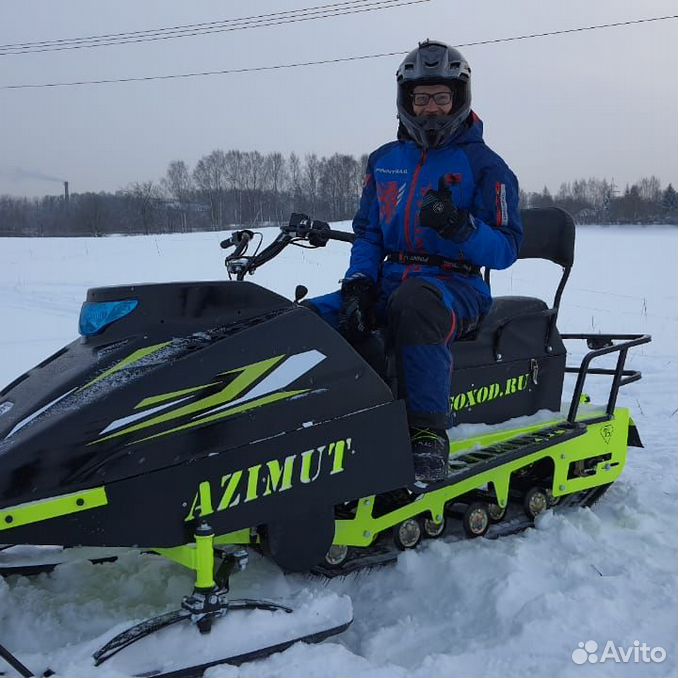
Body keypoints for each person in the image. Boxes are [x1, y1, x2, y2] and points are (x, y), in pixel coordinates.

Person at [307, 39, 523, 482]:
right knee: (309, 318)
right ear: (405, 100)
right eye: (420, 98)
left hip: (455, 287)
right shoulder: (385, 160)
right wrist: (360, 282)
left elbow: (506, 249)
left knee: (415, 303)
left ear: (459, 99)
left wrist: (462, 228)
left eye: (440, 98)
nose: (430, 109)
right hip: (389, 280)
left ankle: (427, 433)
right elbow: (368, 232)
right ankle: (298, 423)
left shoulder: (486, 166)